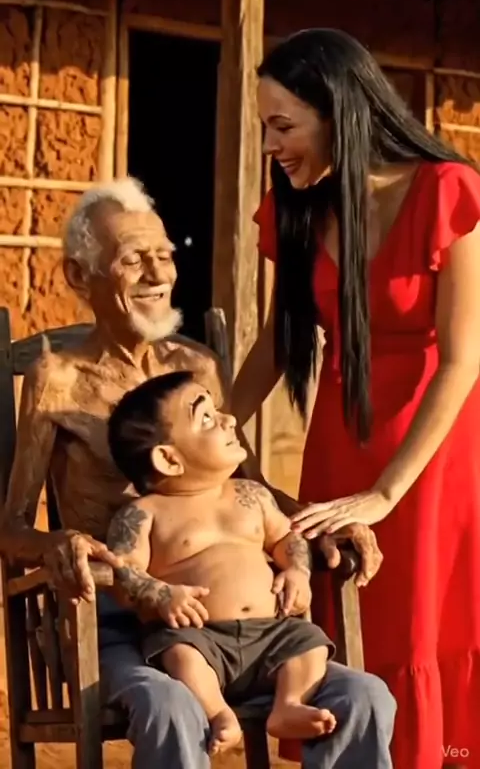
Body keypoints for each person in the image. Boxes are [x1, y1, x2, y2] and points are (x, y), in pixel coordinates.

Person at [0, 176, 395, 769]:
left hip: (239, 623)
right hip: (112, 617)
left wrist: (328, 521)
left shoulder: (197, 369)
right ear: (81, 277)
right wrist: (57, 542)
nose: (158, 274)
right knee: (169, 703)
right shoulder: (56, 380)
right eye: (133, 260)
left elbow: (250, 488)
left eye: (164, 256)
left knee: (362, 695)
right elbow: (8, 528)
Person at [231, 27, 480, 769]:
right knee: (348, 617)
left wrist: (384, 493)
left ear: (337, 109)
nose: (271, 146)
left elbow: (463, 360)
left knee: (422, 624)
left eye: (283, 126)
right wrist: (215, 426)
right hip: (341, 444)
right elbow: (277, 343)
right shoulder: (297, 209)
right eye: (264, 128)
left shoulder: (447, 191)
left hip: (435, 452)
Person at [106, 370, 337, 756]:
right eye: (207, 418)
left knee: (310, 642)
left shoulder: (252, 496)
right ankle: (217, 712)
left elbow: (287, 538)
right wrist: (161, 593)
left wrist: (297, 570)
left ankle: (289, 704)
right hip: (200, 635)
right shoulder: (145, 514)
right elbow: (122, 571)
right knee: (180, 654)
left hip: (271, 633)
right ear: (168, 458)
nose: (229, 419)